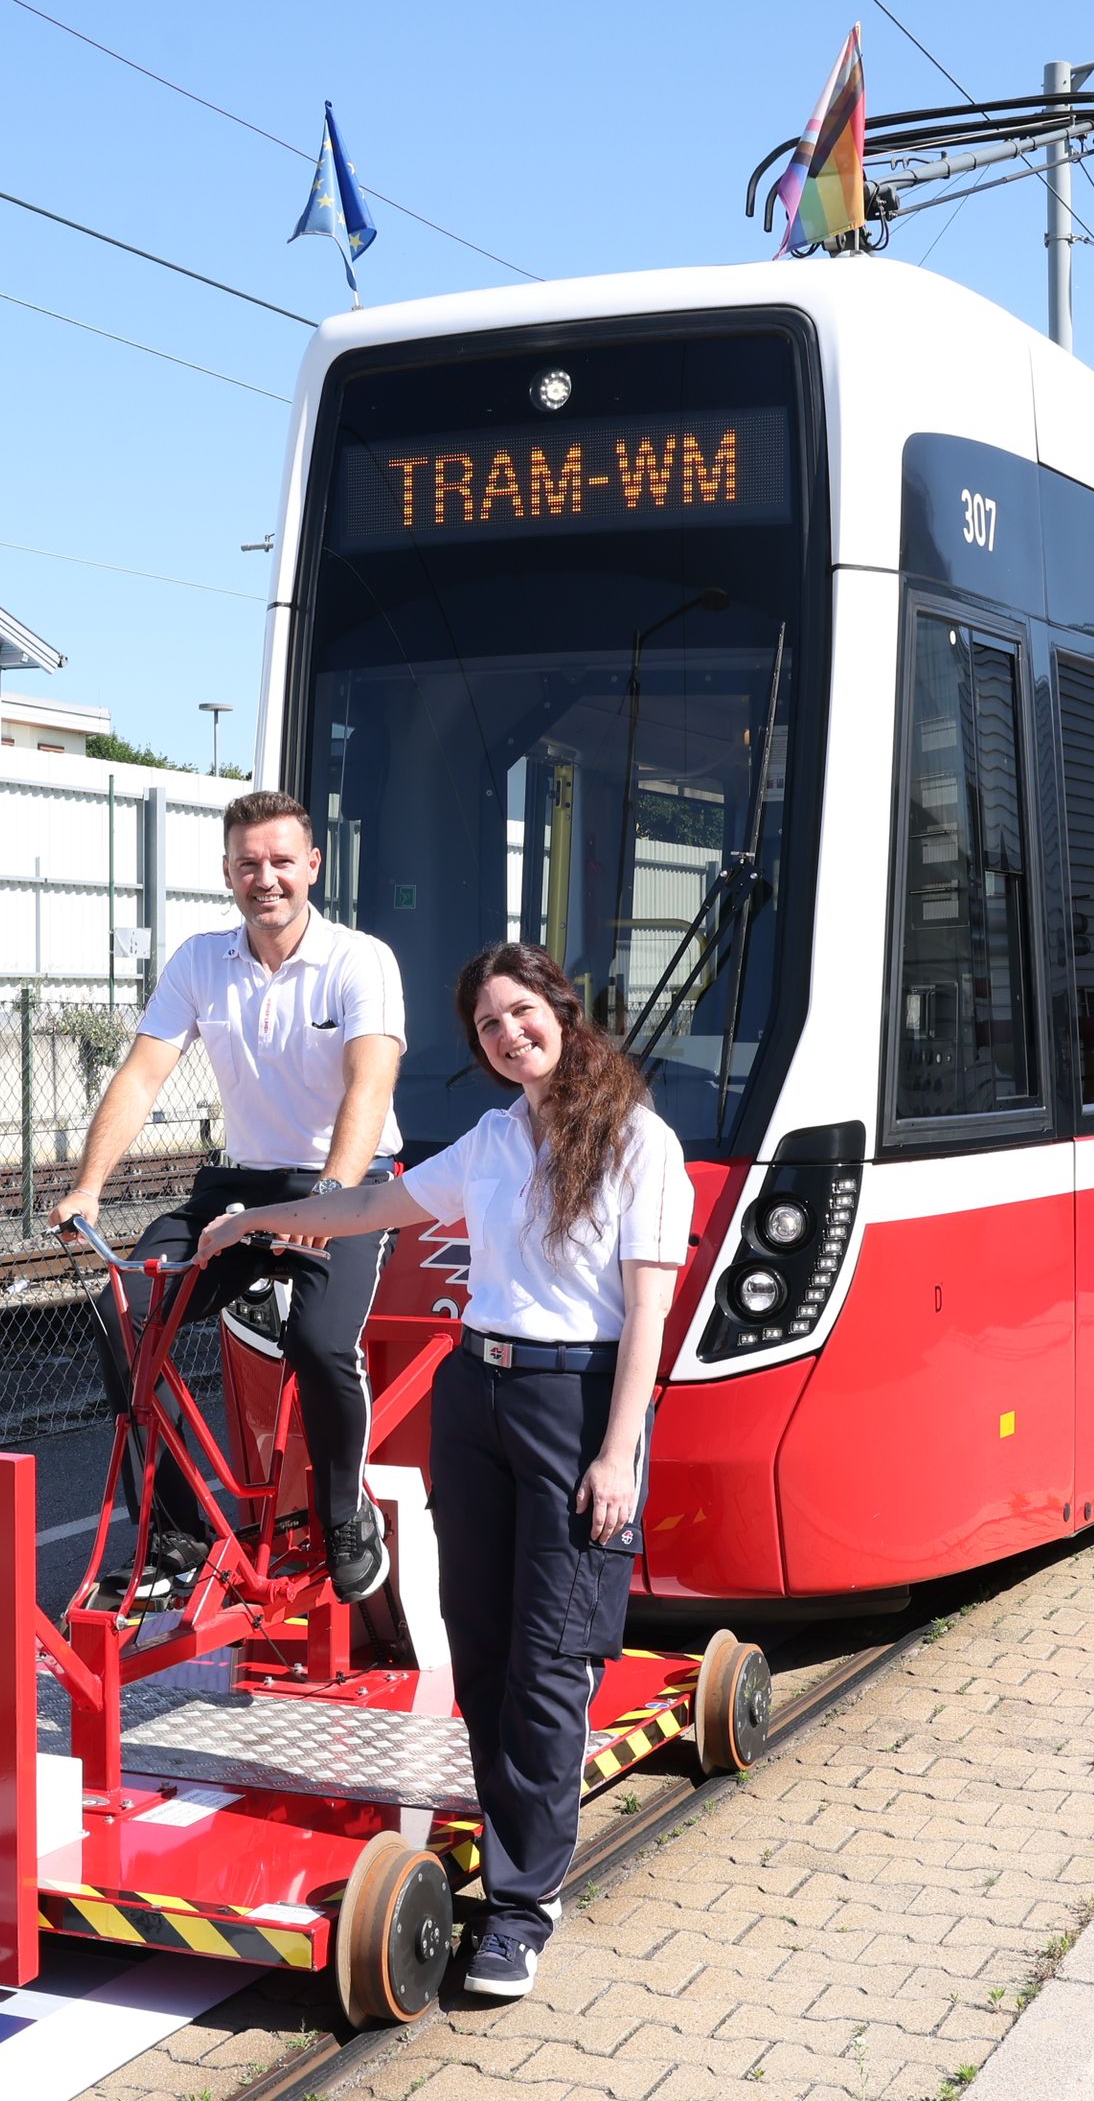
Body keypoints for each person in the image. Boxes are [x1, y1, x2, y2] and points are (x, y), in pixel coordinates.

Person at [192, 941, 692, 2004]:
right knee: (480, 1647)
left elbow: (648, 1310)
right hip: (479, 1400)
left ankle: (521, 1909)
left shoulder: (641, 1143)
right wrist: (263, 1219)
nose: (509, 1035)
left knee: (550, 1667)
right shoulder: (493, 1139)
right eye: (488, 1027)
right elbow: (373, 1208)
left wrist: (619, 1452)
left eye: (521, 1013)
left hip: (574, 1403)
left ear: (562, 1008)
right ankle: (516, 1842)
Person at [51, 788, 408, 1605]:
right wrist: (88, 1187)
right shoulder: (201, 961)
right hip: (241, 1185)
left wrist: (330, 1199)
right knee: (125, 1312)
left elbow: (369, 1083)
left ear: (313, 865)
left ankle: (347, 1514)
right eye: (249, 864)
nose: (267, 877)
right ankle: (175, 1526)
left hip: (348, 1181)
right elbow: (144, 1073)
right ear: (227, 873)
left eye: (282, 860)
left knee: (318, 1343)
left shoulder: (361, 960)